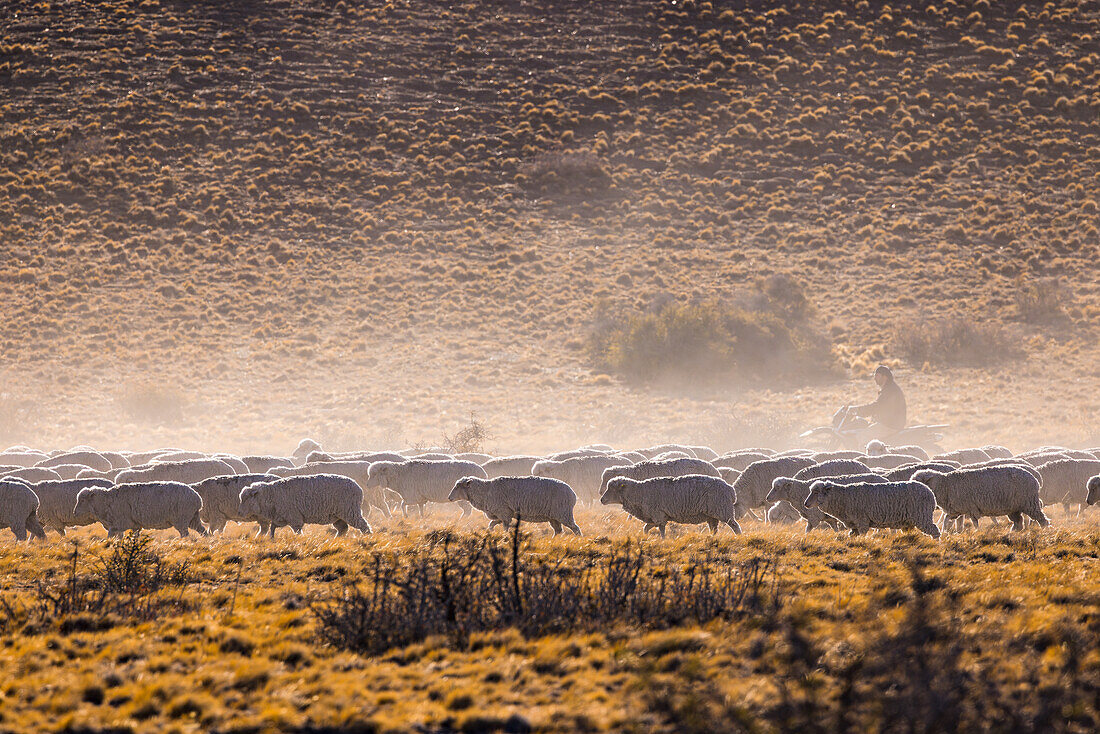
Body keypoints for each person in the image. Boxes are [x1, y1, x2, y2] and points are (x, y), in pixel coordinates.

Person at [851, 365, 906, 436]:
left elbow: (877, 406)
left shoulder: (890, 390)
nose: (874, 378)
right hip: (889, 423)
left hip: (890, 425)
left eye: (877, 375)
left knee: (861, 436)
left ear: (885, 377)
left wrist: (858, 410)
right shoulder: (888, 388)